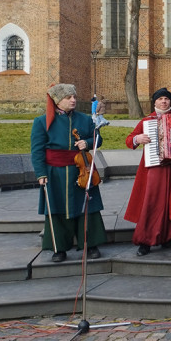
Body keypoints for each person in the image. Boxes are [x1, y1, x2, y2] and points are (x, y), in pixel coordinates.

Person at [30, 84, 106, 263]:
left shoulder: (85, 119)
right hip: (55, 173)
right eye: (68, 98)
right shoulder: (41, 122)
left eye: (74, 97)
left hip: (82, 170)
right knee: (57, 209)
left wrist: (87, 142)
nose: (73, 100)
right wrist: (41, 173)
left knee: (87, 207)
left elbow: (98, 139)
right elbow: (37, 150)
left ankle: (91, 244)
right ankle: (59, 248)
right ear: (57, 101)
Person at [124, 88, 171, 256]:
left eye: (166, 99)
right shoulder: (147, 121)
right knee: (151, 202)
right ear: (154, 102)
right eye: (160, 99)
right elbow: (129, 139)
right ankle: (146, 240)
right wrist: (137, 139)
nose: (163, 102)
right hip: (154, 168)